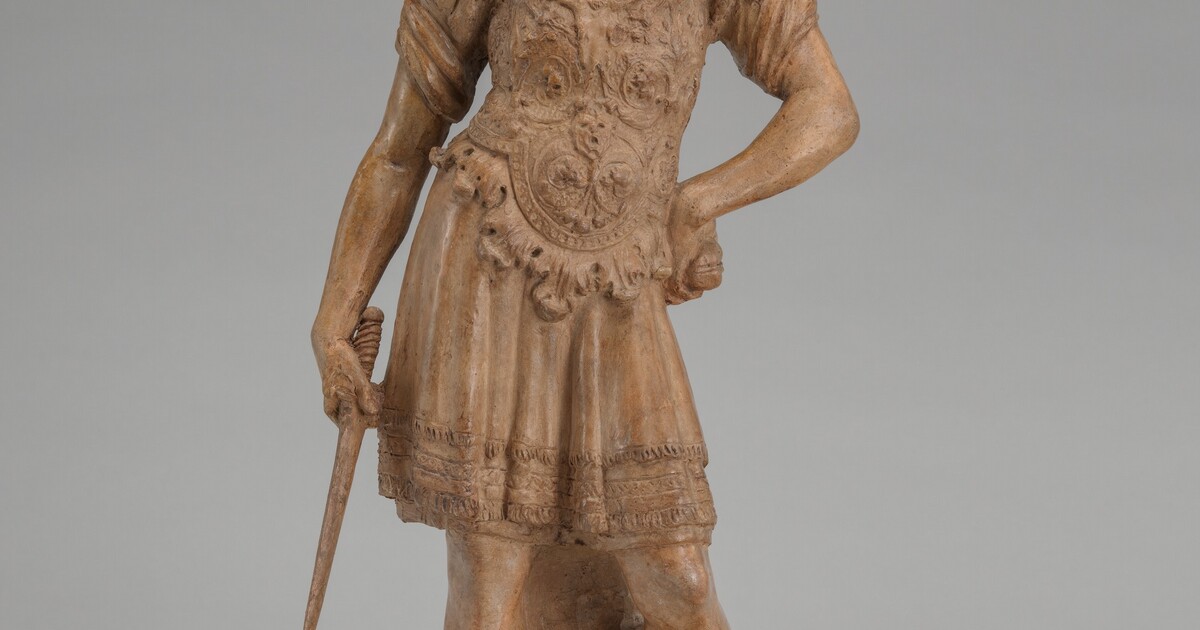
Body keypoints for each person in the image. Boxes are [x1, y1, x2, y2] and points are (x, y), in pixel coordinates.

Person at [312, 0, 858, 626]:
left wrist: (700, 203)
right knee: (490, 589)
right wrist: (332, 325)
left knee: (678, 578)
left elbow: (828, 107)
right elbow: (399, 151)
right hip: (491, 261)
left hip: (620, 286)